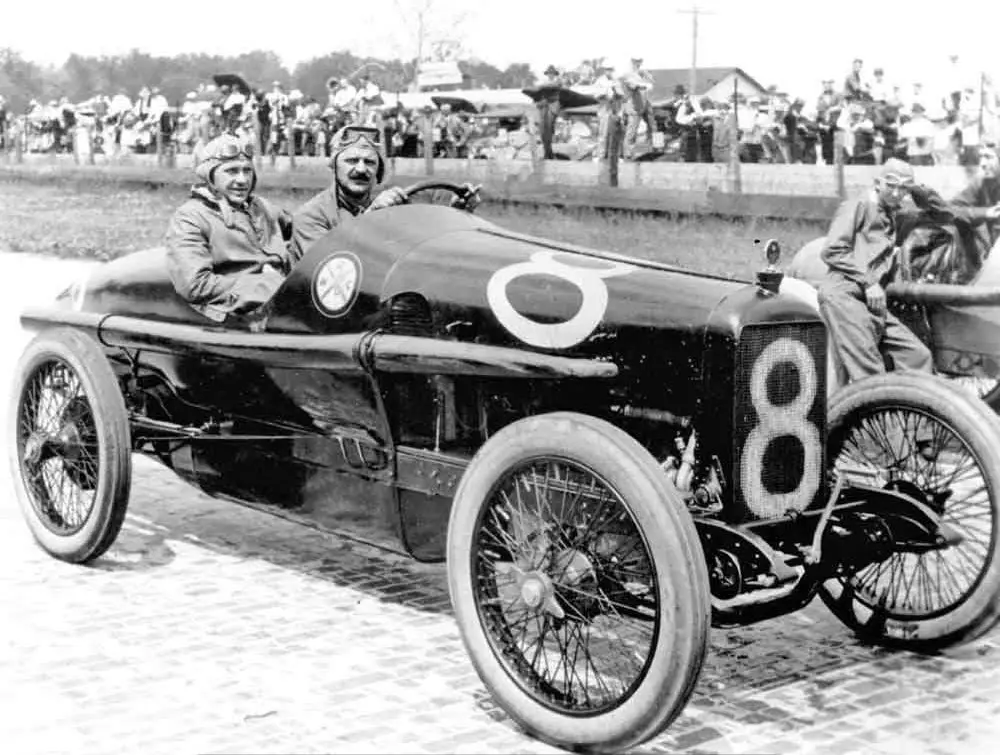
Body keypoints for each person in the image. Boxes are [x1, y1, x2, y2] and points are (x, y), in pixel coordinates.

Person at [817, 158, 935, 381]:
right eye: (891, 185)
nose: (897, 193)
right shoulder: (858, 205)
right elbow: (832, 250)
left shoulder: (890, 212)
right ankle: (874, 414)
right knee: (870, 371)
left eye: (904, 188)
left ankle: (918, 412)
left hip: (871, 299)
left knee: (918, 356)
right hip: (845, 293)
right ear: (877, 183)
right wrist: (869, 282)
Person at [291, 125, 481, 258]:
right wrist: (371, 216)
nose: (361, 169)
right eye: (351, 161)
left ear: (378, 172)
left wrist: (456, 213)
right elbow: (328, 269)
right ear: (334, 166)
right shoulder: (310, 217)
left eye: (370, 162)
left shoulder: (392, 208)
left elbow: (421, 249)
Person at [165, 133, 294, 323]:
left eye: (247, 171)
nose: (242, 180)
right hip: (238, 318)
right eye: (232, 171)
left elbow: (302, 235)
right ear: (211, 176)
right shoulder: (190, 217)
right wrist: (269, 285)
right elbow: (195, 285)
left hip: (287, 306)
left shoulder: (263, 208)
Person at [621, 57, 656, 159]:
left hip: (645, 104)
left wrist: (646, 76)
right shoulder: (628, 74)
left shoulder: (642, 73)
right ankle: (628, 154)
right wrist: (644, 85)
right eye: (636, 61)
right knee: (632, 131)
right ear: (632, 62)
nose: (638, 63)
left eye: (640, 61)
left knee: (653, 127)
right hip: (634, 107)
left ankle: (654, 148)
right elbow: (634, 86)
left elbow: (653, 82)